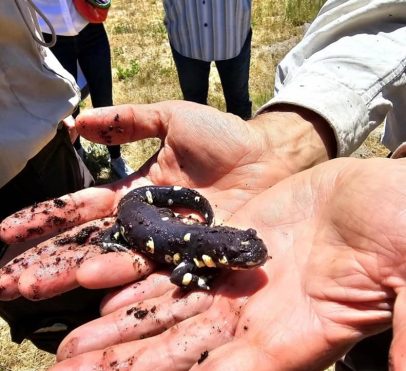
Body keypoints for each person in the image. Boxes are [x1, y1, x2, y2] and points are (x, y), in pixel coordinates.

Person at [1, 0, 406, 368]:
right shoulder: (196, 252)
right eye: (243, 256)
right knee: (122, 233)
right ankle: (117, 238)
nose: (252, 260)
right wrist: (196, 274)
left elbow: (185, 264)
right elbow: (184, 274)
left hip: (150, 211)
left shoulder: (200, 246)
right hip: (133, 213)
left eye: (245, 254)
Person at [33, 0, 134, 179]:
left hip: (90, 25)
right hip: (53, 34)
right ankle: (78, 153)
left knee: (104, 97)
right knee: (69, 102)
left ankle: (116, 157)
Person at [163, 0, 253, 120]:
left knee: (239, 108)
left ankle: (243, 138)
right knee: (193, 108)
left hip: (234, 29)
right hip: (186, 31)